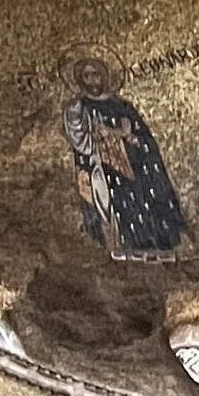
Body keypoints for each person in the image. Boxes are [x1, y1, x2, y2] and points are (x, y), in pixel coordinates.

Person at [63, 61, 188, 263]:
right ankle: (125, 249)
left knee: (142, 199)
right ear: (80, 81)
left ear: (104, 77)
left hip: (133, 165)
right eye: (86, 76)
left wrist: (127, 137)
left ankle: (158, 246)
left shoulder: (122, 107)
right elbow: (79, 139)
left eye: (95, 74)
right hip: (103, 167)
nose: (92, 80)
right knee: (117, 206)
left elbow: (143, 139)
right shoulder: (79, 108)